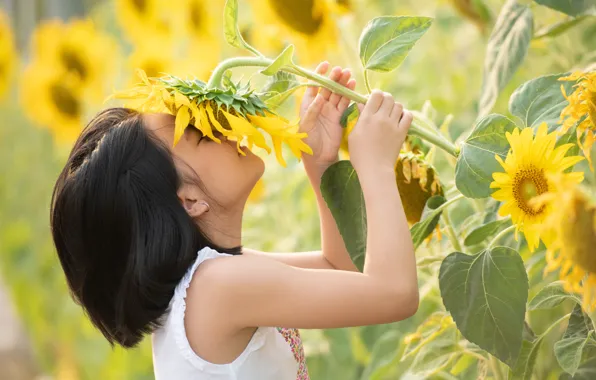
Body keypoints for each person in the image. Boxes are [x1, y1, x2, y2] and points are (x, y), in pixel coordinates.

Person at [50, 62, 418, 380]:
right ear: (189, 200)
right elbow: (395, 294)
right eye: (201, 134)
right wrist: (376, 166)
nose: (223, 127)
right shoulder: (216, 287)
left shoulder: (212, 279)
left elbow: (340, 270)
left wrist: (320, 164)